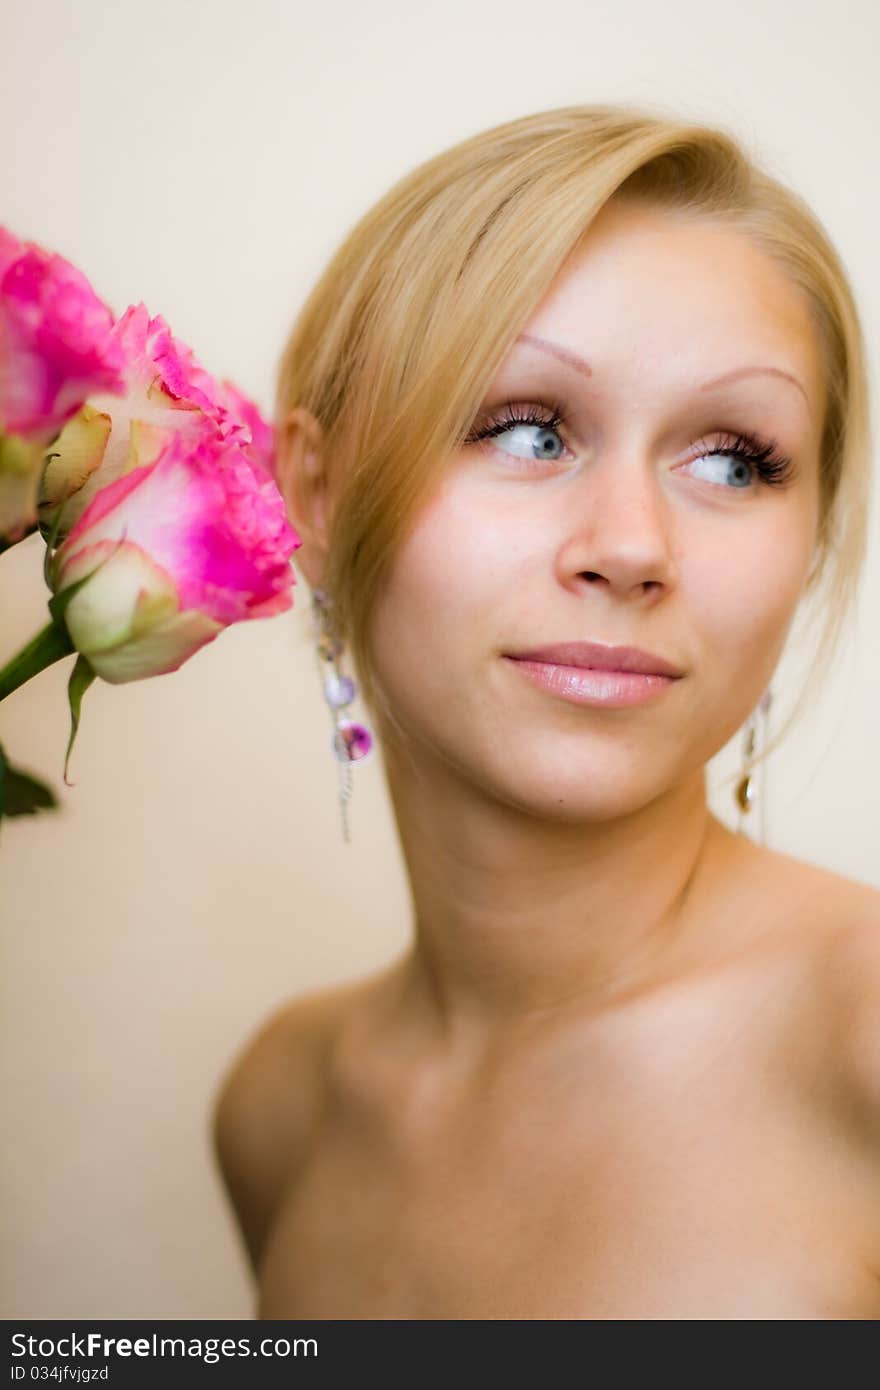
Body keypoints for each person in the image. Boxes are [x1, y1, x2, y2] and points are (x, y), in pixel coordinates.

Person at [212, 103, 880, 1319]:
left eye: (734, 460)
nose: (630, 547)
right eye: (526, 429)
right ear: (312, 487)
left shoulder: (862, 1043)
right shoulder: (282, 1109)